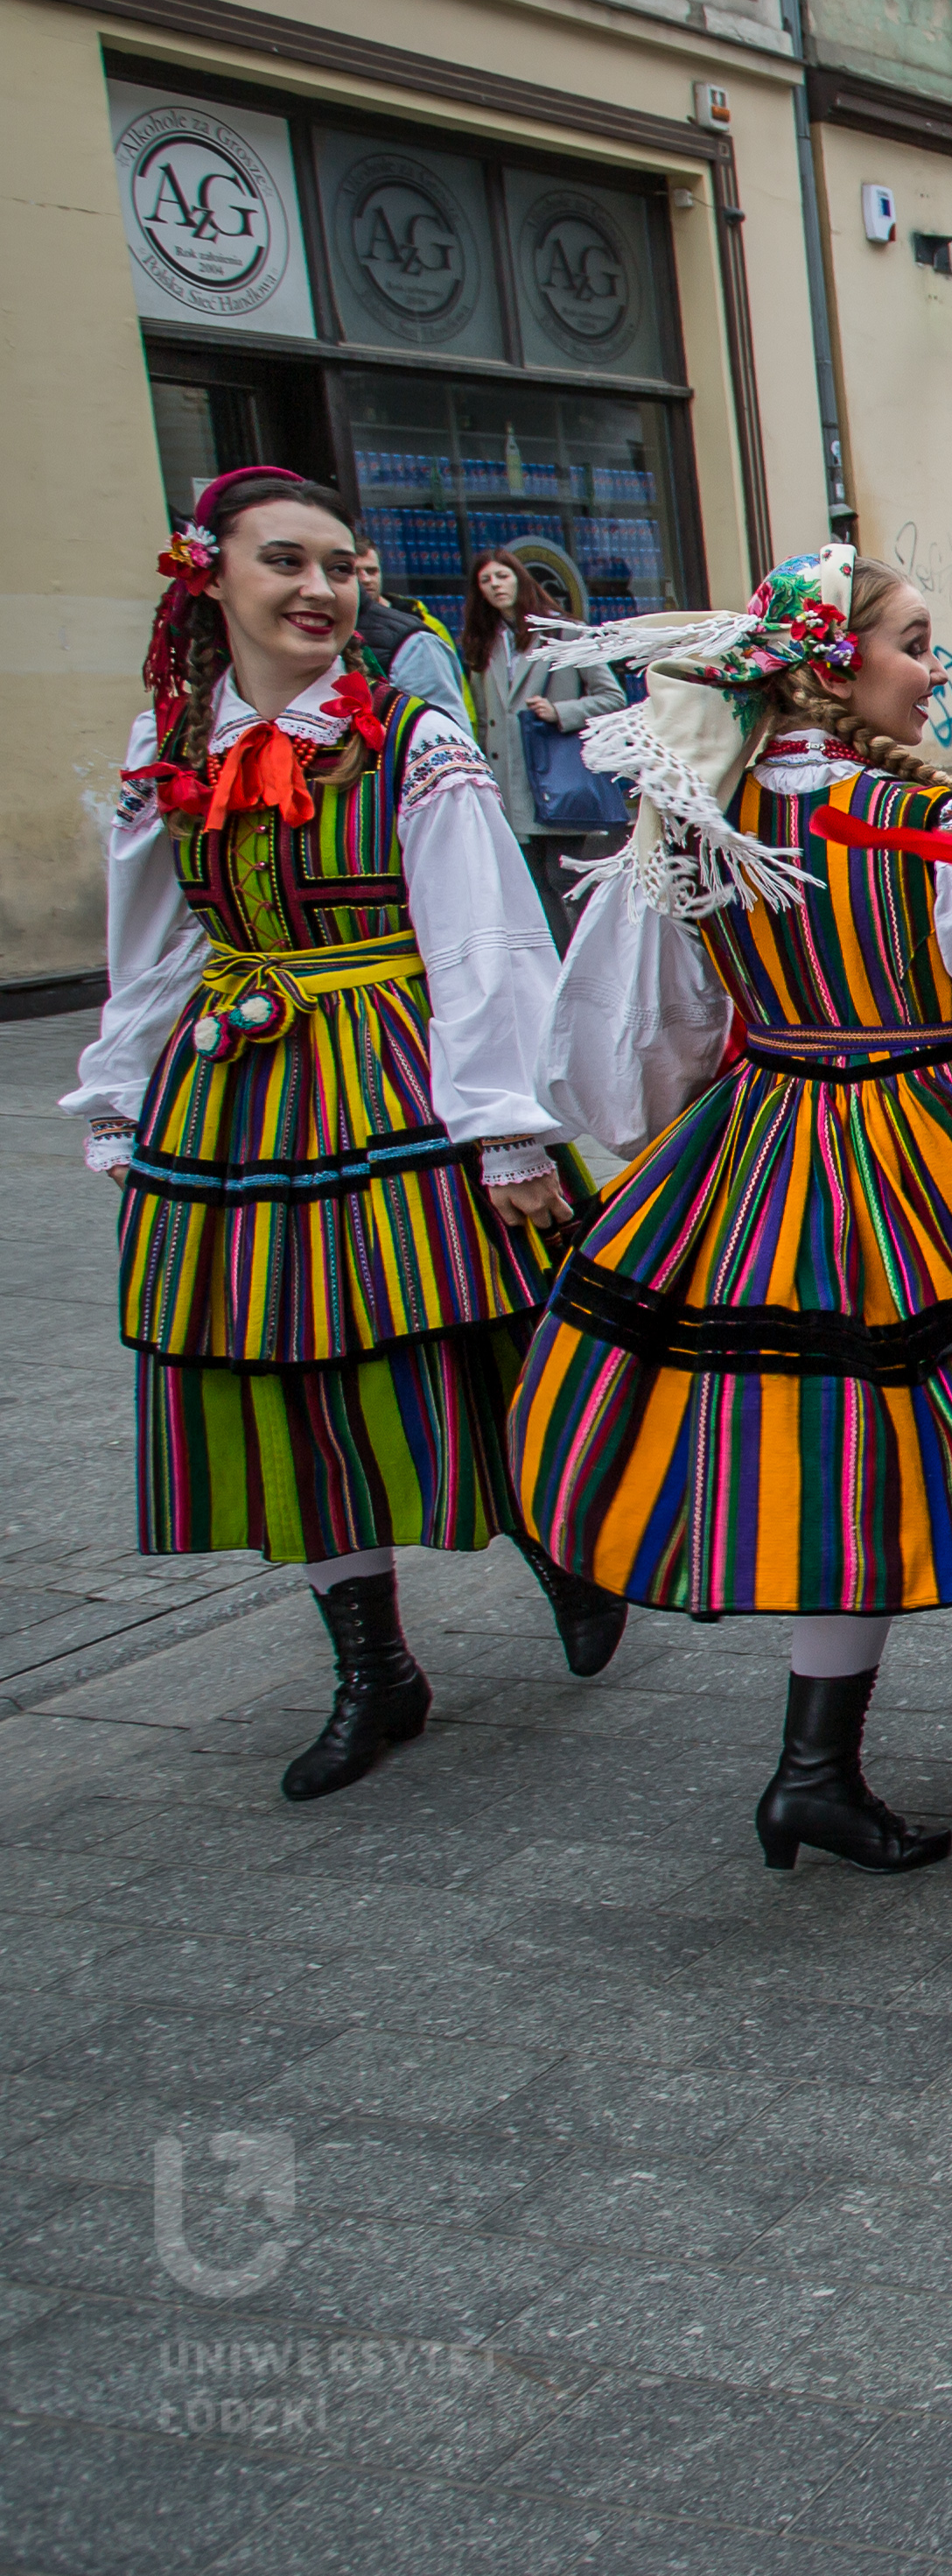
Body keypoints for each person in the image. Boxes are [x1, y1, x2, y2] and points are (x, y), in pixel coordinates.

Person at [520, 549, 952, 1871]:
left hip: (773, 1154)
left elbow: (635, 1051)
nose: (936, 666)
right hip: (948, 1158)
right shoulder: (929, 825)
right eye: (914, 640)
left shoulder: (699, 824)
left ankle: (821, 1766)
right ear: (836, 666)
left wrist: (673, 1133)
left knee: (836, 1457)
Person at [73, 467, 611, 1801]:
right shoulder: (173, 751)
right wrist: (123, 1089)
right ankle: (373, 1664)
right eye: (286, 563)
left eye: (337, 565)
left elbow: (485, 936)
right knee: (280, 1364)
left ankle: (563, 1545)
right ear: (211, 576)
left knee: (474, 1328)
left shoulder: (410, 737)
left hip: (394, 1066)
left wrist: (505, 1126)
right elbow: (148, 948)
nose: (319, 590)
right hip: (242, 1082)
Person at [461, 544, 629, 925]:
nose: (495, 585)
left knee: (564, 876)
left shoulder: (561, 630)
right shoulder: (485, 642)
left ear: (520, 579)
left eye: (502, 576)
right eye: (485, 580)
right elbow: (485, 717)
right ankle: (557, 968)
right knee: (532, 881)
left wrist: (561, 712)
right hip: (510, 780)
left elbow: (612, 696)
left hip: (557, 773)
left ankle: (593, 962)